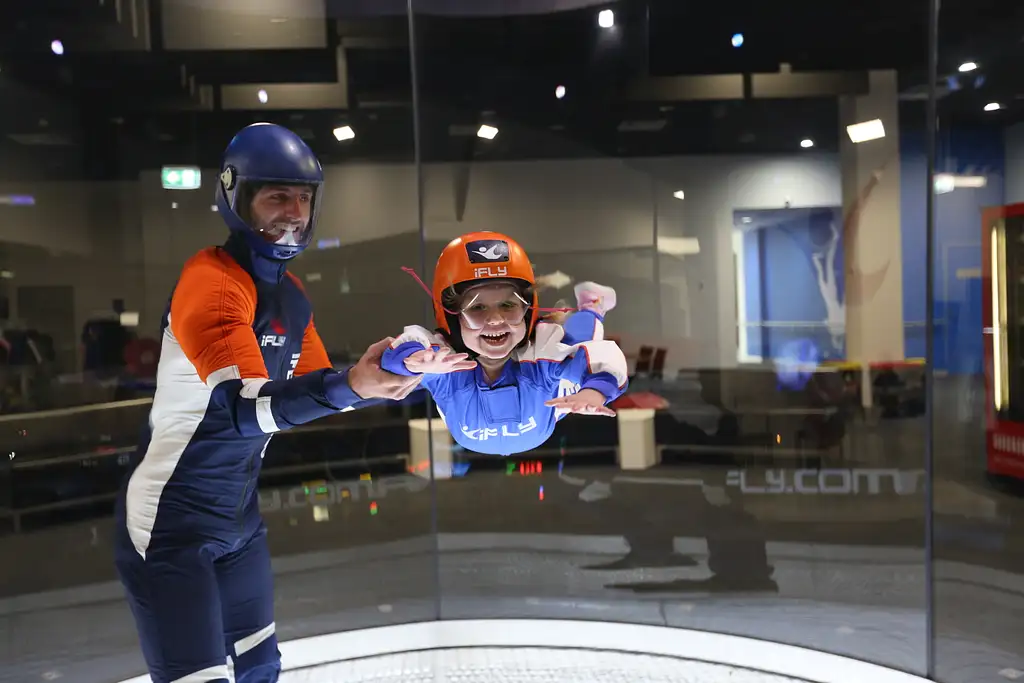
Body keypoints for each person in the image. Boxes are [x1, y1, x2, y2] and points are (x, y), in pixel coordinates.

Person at [113, 123, 419, 683]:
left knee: (261, 671)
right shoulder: (211, 279)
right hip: (169, 524)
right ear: (236, 195)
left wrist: (411, 369)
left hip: (239, 519)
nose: (295, 212)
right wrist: (352, 384)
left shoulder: (291, 297)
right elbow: (242, 410)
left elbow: (322, 389)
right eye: (278, 195)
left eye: (304, 197)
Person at [381, 231, 629, 456]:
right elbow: (405, 347)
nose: (496, 320)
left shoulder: (542, 358)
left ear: (527, 310)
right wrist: (410, 360)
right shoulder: (443, 365)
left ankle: (593, 306)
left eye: (508, 305)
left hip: (552, 402)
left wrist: (593, 391)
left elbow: (602, 358)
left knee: (579, 341)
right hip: (533, 421)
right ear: (452, 318)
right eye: (477, 307)